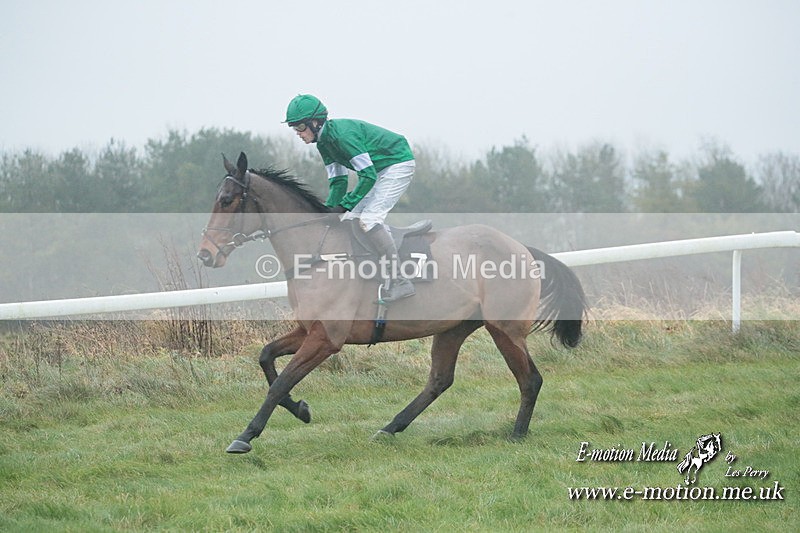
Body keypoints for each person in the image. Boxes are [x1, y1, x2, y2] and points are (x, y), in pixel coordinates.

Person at [284, 94, 416, 302]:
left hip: (397, 163)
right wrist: (328, 210)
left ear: (315, 123)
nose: (298, 134)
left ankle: (401, 281)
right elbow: (338, 182)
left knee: (369, 220)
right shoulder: (324, 144)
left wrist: (344, 205)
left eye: (300, 127)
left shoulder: (342, 137)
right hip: (379, 169)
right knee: (350, 219)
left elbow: (368, 175)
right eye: (294, 128)